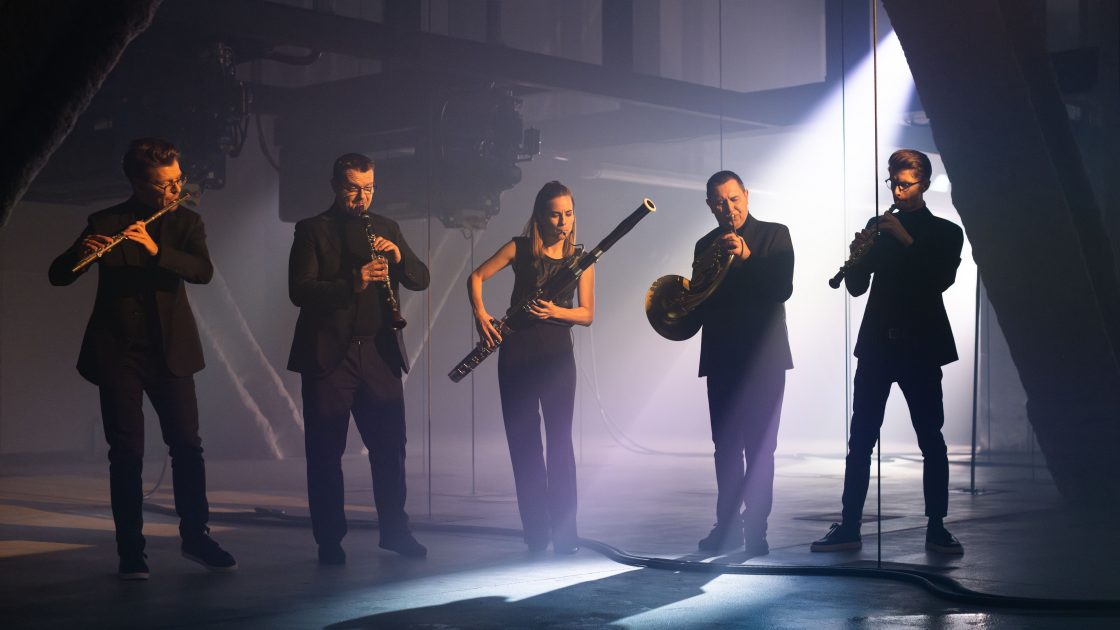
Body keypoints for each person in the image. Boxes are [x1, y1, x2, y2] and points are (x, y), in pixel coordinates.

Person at [48, 137, 236, 580]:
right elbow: (58, 276)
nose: (175, 190)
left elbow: (203, 271)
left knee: (187, 446)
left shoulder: (187, 222)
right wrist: (82, 254)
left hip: (171, 352)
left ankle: (196, 537)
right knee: (126, 454)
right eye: (164, 184)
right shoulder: (106, 220)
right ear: (137, 183)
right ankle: (131, 550)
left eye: (178, 181)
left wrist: (155, 250)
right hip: (118, 353)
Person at [811, 149, 965, 555]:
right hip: (878, 345)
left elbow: (938, 280)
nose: (897, 191)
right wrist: (856, 258)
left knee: (931, 438)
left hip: (921, 346)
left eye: (905, 184)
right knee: (861, 438)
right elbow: (857, 288)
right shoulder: (877, 227)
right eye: (893, 183)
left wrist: (905, 238)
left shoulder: (946, 233)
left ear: (924, 184)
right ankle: (849, 525)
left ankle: (937, 527)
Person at [287, 153, 430, 564]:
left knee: (391, 447)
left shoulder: (386, 227)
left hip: (380, 352)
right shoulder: (312, 229)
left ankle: (396, 531)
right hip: (330, 355)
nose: (361, 197)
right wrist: (355, 279)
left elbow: (421, 279)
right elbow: (299, 290)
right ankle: (330, 540)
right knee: (326, 452)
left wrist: (399, 257)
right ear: (336, 186)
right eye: (353, 188)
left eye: (368, 189)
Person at [467, 181, 593, 555]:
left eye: (568, 214)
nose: (563, 222)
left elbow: (587, 314)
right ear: (539, 216)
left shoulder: (582, 260)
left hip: (557, 356)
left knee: (560, 444)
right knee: (524, 445)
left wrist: (555, 311)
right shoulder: (519, 248)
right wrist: (481, 315)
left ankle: (566, 535)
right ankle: (536, 533)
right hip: (517, 353)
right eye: (555, 214)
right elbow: (476, 277)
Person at [693, 170, 794, 558]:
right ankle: (727, 526)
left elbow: (781, 288)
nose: (729, 208)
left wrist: (747, 256)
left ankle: (756, 529)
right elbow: (700, 302)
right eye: (720, 202)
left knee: (760, 449)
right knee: (725, 449)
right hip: (721, 358)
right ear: (710, 206)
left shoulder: (774, 235)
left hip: (764, 360)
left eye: (734, 199)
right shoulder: (705, 244)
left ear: (747, 196)